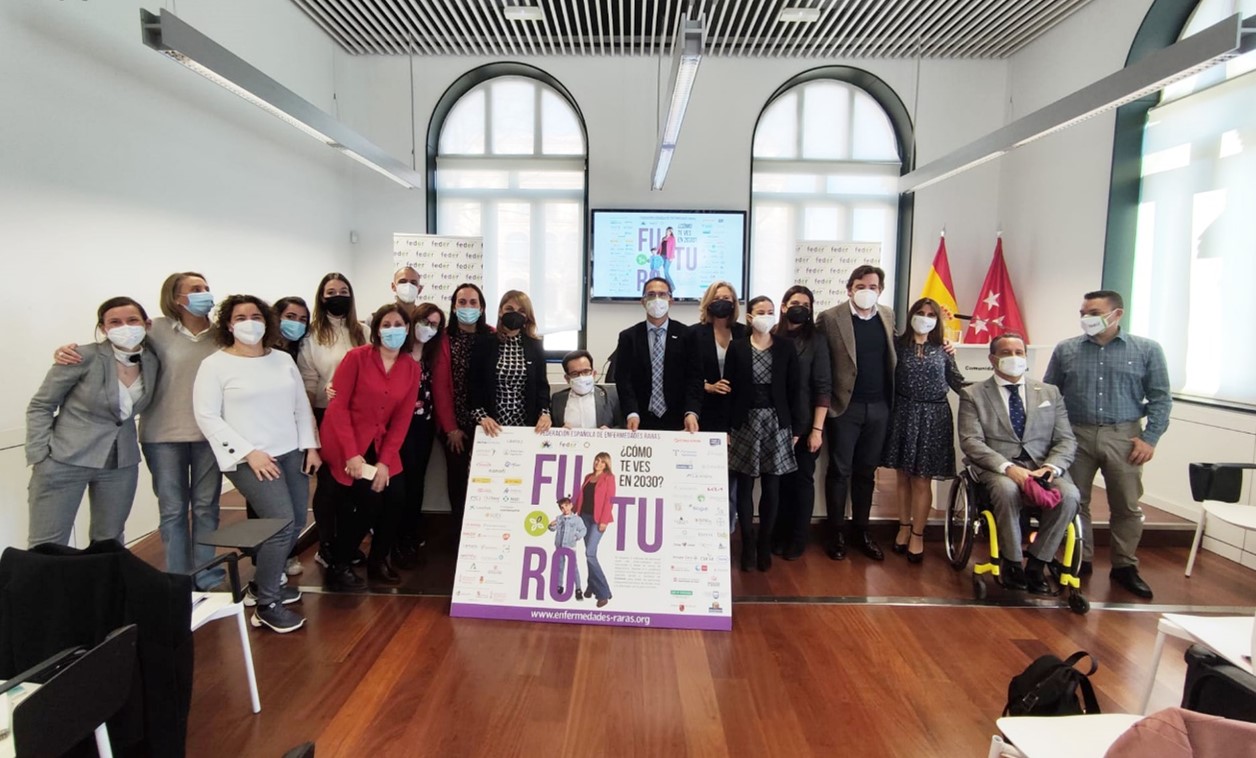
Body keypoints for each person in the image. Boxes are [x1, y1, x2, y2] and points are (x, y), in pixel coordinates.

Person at [52, 271, 224, 589]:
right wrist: (66, 350)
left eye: (206, 287)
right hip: (162, 435)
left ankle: (208, 573)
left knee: (206, 506)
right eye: (194, 289)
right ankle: (177, 577)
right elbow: (114, 346)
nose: (204, 293)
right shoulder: (155, 328)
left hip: (210, 435)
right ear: (176, 297)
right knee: (172, 509)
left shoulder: (221, 335)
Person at [193, 294, 321, 633]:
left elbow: (299, 406)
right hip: (249, 459)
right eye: (241, 316)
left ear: (267, 322)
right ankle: (267, 603)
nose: (249, 322)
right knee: (279, 526)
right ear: (229, 324)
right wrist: (249, 453)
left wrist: (310, 446)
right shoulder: (215, 365)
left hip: (290, 451)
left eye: (256, 316)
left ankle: (259, 586)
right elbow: (207, 415)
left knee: (294, 525)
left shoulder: (281, 359)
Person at [1043, 290, 1171, 600]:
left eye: (1094, 312)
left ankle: (1125, 566)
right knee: (1075, 501)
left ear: (1117, 314)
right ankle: (1080, 559)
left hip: (1124, 436)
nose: (1086, 318)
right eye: (1083, 312)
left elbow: (1160, 398)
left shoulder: (1147, 350)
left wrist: (1150, 438)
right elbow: (1050, 395)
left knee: (1126, 504)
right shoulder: (1066, 350)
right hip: (1076, 434)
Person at [27, 297, 161, 547]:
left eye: (132, 320)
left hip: (120, 463)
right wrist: (39, 456)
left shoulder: (153, 360)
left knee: (109, 540)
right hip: (65, 459)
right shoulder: (81, 356)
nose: (125, 327)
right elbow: (41, 405)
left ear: (147, 324)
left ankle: (102, 587)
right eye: (115, 322)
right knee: (48, 544)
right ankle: (46, 588)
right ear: (103, 328)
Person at [957, 333, 1081, 595]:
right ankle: (1012, 562)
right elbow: (971, 441)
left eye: (1019, 352)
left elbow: (1065, 439)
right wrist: (1009, 469)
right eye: (1006, 353)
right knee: (1006, 490)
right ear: (992, 359)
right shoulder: (973, 394)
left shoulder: (1049, 392)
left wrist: (1052, 467)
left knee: (1070, 495)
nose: (1014, 358)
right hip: (998, 466)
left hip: (1042, 466)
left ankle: (1037, 563)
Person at [317, 304, 421, 588]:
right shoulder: (356, 358)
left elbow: (401, 420)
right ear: (376, 329)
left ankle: (378, 561)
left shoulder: (411, 368)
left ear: (408, 329)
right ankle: (338, 564)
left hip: (382, 443)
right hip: (347, 442)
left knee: (396, 498)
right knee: (369, 503)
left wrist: (386, 462)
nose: (392, 330)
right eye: (385, 324)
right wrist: (352, 455)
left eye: (398, 324)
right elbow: (337, 408)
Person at [815, 265, 897, 562]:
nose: (867, 291)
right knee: (839, 471)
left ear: (880, 290)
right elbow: (820, 360)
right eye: (861, 286)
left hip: (879, 407)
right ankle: (835, 532)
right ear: (849, 288)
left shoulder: (887, 316)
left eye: (873, 287)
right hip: (844, 407)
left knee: (866, 473)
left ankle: (862, 530)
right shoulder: (831, 318)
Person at [881, 298, 967, 564]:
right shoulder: (896, 345)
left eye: (931, 314)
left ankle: (918, 533)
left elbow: (957, 382)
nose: (925, 317)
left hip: (933, 417)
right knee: (903, 476)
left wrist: (989, 394)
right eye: (920, 312)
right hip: (903, 413)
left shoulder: (943, 348)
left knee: (922, 479)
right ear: (911, 316)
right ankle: (903, 527)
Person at [726, 296, 807, 572]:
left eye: (771, 312)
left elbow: (795, 390)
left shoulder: (785, 347)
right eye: (761, 312)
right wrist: (728, 428)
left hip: (776, 421)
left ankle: (764, 544)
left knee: (772, 487)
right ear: (749, 317)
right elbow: (730, 391)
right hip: (745, 422)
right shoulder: (737, 348)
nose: (767, 316)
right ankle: (747, 544)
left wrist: (797, 428)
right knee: (746, 486)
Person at [298, 273, 367, 568]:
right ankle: (326, 544)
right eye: (331, 291)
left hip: (361, 419)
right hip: (327, 417)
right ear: (321, 297)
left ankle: (347, 543)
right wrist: (311, 426)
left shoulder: (363, 330)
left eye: (343, 290)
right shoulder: (312, 337)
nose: (337, 295)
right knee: (329, 485)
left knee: (356, 484)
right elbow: (308, 384)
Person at [771, 285, 832, 561]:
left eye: (806, 305)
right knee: (778, 484)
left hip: (806, 425)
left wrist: (816, 429)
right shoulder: (770, 335)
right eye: (795, 302)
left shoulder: (817, 340)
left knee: (802, 482)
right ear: (783, 306)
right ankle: (778, 535)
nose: (801, 308)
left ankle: (798, 539)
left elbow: (822, 386)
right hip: (774, 423)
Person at [394, 302, 457, 567]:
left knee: (416, 482)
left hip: (424, 427)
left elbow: (440, 391)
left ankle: (409, 537)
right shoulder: (397, 353)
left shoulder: (432, 355)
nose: (428, 328)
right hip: (396, 430)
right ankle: (394, 541)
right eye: (424, 321)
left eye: (434, 325)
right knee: (398, 486)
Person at [689, 281, 746, 531]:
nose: (723, 301)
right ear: (709, 301)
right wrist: (707, 386)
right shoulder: (693, 334)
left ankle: (728, 531)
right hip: (705, 414)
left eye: (728, 298)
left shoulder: (744, 332)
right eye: (718, 297)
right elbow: (683, 376)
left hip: (737, 415)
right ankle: (701, 530)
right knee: (704, 476)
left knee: (733, 477)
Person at [614, 277, 701, 432]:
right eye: (651, 294)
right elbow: (623, 379)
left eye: (662, 294)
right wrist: (631, 412)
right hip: (639, 420)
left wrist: (691, 412)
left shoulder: (687, 335)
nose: (657, 299)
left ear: (670, 301)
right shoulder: (628, 337)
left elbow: (694, 378)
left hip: (679, 418)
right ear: (643, 301)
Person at [469, 290, 552, 437]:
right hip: (491, 425)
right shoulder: (484, 343)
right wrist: (481, 417)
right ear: (500, 312)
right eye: (509, 309)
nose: (515, 314)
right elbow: (473, 384)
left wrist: (545, 414)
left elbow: (541, 386)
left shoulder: (535, 346)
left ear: (527, 317)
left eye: (521, 311)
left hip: (526, 425)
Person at [443, 282, 491, 522]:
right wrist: (451, 428)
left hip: (488, 423)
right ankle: (459, 532)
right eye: (462, 302)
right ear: (453, 307)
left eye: (474, 302)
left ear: (482, 308)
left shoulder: (492, 336)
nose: (468, 307)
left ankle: (484, 529)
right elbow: (439, 387)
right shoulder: (443, 339)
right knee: (458, 478)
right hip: (455, 425)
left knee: (488, 478)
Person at [574, 452, 616, 608]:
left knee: (590, 553)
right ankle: (591, 586)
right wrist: (573, 511)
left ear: (606, 464)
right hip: (584, 517)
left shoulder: (609, 478)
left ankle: (603, 593)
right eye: (597, 460)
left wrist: (604, 520)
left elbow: (609, 500)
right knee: (590, 553)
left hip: (598, 520)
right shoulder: (588, 477)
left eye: (602, 462)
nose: (598, 463)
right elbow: (581, 497)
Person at [551, 350, 621, 429]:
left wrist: (611, 433)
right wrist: (558, 433)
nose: (581, 377)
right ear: (567, 378)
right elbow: (550, 429)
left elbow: (624, 425)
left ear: (593, 374)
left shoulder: (611, 396)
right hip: (568, 441)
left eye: (586, 371)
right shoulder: (557, 399)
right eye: (575, 374)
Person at [548, 496, 587, 599]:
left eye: (566, 506)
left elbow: (583, 530)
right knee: (560, 566)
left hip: (570, 546)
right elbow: (552, 529)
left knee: (573, 568)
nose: (564, 509)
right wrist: (551, 525)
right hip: (560, 545)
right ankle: (559, 586)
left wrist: (576, 536)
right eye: (562, 507)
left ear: (571, 505)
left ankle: (578, 589)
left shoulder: (577, 519)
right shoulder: (559, 518)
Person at [272, 296, 310, 362]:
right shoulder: (263, 348)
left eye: (302, 319)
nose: (297, 322)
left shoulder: (302, 351)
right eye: (290, 317)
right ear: (276, 316)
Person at [657, 227, 677, 293]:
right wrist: (658, 253)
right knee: (665, 272)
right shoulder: (663, 238)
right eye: (667, 231)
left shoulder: (672, 239)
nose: (668, 232)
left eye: (669, 231)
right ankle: (668, 287)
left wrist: (671, 257)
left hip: (668, 257)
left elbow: (673, 248)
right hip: (662, 256)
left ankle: (672, 287)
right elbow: (660, 247)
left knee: (666, 271)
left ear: (671, 232)